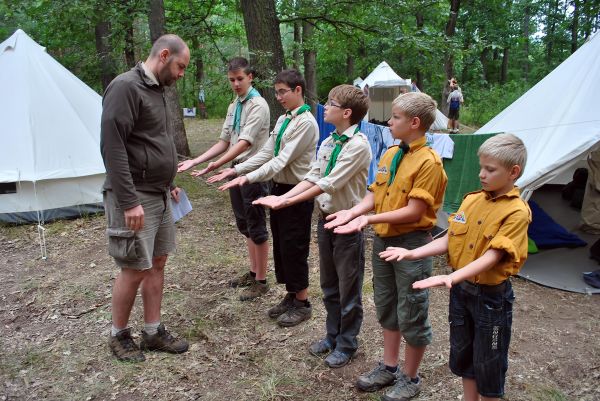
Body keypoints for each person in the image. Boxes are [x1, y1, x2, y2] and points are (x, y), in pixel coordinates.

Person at [380, 133, 530, 401]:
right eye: (481, 167)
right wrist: (412, 253)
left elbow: (494, 255)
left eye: (490, 169)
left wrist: (451, 277)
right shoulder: (472, 200)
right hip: (462, 293)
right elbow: (450, 238)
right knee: (464, 355)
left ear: (513, 172)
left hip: (490, 300)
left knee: (489, 361)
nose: (482, 174)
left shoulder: (517, 211)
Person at [325, 92, 447, 400]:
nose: (388, 122)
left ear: (414, 122)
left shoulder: (429, 163)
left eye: (395, 117)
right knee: (387, 305)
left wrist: (367, 220)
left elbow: (415, 211)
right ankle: (389, 367)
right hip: (383, 240)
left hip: (411, 244)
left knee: (412, 311)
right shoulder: (392, 153)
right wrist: (355, 212)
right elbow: (375, 192)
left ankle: (411, 377)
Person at [254, 84, 371, 368]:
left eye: (330, 103)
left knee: (349, 290)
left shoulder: (358, 146)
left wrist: (284, 203)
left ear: (346, 113)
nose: (325, 107)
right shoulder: (330, 141)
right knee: (329, 286)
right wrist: (284, 197)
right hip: (326, 222)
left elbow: (328, 183)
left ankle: (347, 344)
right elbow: (313, 175)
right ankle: (332, 336)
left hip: (349, 224)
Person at [100, 34, 191, 362]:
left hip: (158, 193)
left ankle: (152, 331)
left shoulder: (160, 90)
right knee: (133, 267)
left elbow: (153, 142)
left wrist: (168, 183)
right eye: (180, 66)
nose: (182, 74)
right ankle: (119, 335)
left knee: (157, 261)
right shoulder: (125, 87)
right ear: (164, 55)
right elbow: (113, 147)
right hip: (134, 195)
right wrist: (128, 202)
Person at [209, 69, 318, 327]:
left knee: (295, 246)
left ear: (298, 90)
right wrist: (237, 169)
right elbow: (267, 152)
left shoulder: (306, 122)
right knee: (281, 245)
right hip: (278, 189)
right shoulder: (283, 120)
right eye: (277, 91)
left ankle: (302, 302)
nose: (278, 97)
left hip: (297, 193)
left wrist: (248, 178)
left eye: (283, 92)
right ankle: (291, 295)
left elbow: (281, 159)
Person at [177, 57, 270, 301]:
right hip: (235, 170)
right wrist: (198, 161)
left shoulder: (258, 105)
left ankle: (262, 281)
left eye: (240, 79)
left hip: (253, 173)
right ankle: (253, 272)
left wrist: (217, 165)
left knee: (257, 226)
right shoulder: (234, 106)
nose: (236, 84)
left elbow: (245, 142)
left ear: (250, 77)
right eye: (232, 80)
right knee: (244, 224)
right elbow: (224, 141)